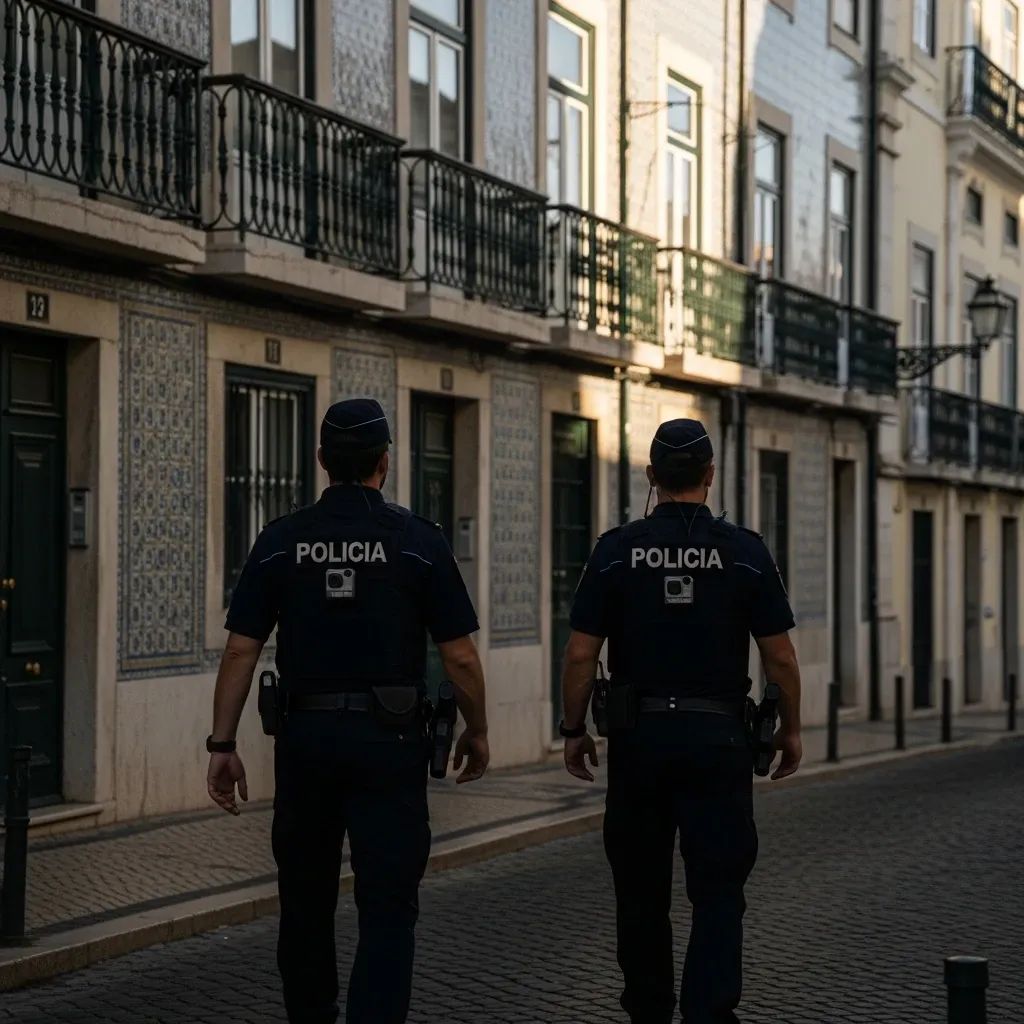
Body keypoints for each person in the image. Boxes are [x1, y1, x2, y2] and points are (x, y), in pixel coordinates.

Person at [205, 397, 489, 1024]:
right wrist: (480, 730)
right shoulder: (417, 542)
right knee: (388, 903)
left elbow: (239, 650)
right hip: (389, 747)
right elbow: (462, 658)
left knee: (304, 899)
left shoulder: (281, 541)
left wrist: (221, 746)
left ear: (321, 461)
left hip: (305, 744)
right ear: (385, 462)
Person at [558, 418, 802, 1024]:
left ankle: (648, 1010)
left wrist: (572, 730)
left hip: (639, 742)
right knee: (718, 892)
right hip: (720, 743)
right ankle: (708, 1014)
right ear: (710, 477)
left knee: (640, 892)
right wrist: (792, 728)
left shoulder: (615, 550)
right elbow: (779, 657)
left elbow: (582, 653)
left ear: (651, 477)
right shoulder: (745, 552)